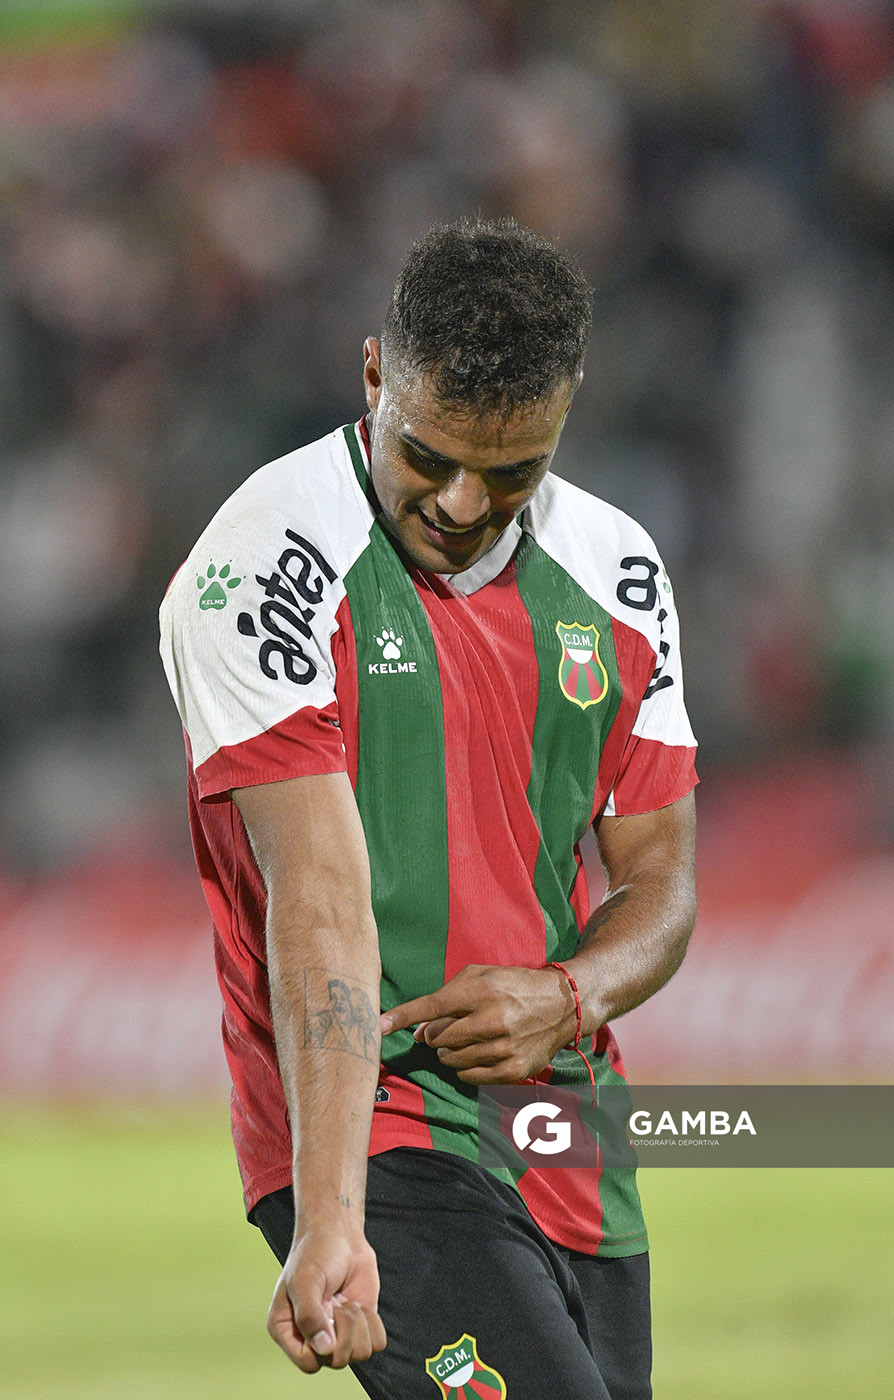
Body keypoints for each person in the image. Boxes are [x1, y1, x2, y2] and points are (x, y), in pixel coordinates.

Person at [159, 217, 697, 1400]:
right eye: (428, 454)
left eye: (512, 472)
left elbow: (662, 880)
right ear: (373, 373)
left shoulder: (618, 570)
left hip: (570, 1133)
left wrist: (572, 993)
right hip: (377, 1126)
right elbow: (319, 895)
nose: (461, 501)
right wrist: (330, 1213)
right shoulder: (268, 557)